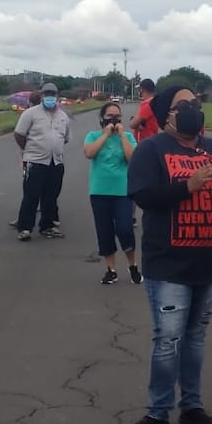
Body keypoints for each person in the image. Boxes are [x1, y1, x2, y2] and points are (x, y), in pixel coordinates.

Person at [123, 86, 212, 424]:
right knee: (168, 339)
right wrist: (187, 186)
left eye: (196, 104)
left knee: (196, 338)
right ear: (167, 113)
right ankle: (157, 412)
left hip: (210, 262)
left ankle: (192, 406)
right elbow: (144, 197)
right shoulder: (150, 150)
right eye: (184, 105)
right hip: (168, 265)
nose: (193, 111)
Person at [84, 102, 141, 284]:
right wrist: (106, 134)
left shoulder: (129, 137)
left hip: (122, 191)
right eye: (110, 115)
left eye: (117, 115)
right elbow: (89, 153)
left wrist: (122, 135)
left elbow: (132, 157)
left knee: (125, 229)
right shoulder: (93, 136)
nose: (114, 118)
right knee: (105, 232)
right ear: (102, 118)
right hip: (99, 191)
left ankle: (133, 266)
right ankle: (111, 269)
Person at [13, 82, 71, 241]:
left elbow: (65, 138)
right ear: (42, 96)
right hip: (35, 161)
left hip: (56, 162)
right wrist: (28, 150)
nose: (50, 98)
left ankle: (47, 226)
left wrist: (53, 147)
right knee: (31, 195)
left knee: (51, 196)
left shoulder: (63, 116)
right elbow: (19, 134)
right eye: (47, 94)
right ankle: (25, 228)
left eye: (53, 95)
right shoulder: (30, 114)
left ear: (57, 96)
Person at [130, 78, 159, 142]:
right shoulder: (155, 102)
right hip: (152, 138)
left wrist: (133, 120)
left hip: (144, 141)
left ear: (142, 89)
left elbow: (133, 124)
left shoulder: (148, 104)